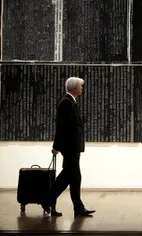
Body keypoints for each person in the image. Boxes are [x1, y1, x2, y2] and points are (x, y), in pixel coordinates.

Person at [42, 77, 95, 217]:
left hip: (72, 147)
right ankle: (50, 201)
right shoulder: (67, 102)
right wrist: (56, 146)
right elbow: (62, 126)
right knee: (72, 177)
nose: (82, 88)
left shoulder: (71, 101)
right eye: (80, 86)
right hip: (70, 147)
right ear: (73, 88)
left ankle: (73, 206)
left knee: (71, 177)